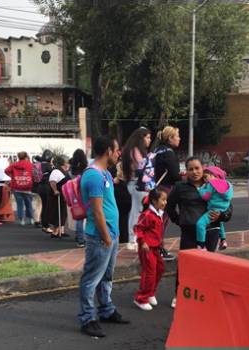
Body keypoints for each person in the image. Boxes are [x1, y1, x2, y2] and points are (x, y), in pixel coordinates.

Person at [78, 135, 129, 338]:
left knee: (106, 276)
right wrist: (107, 237)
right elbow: (97, 211)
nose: (119, 154)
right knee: (91, 279)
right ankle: (87, 318)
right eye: (117, 150)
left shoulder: (106, 173)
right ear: (108, 150)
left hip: (111, 235)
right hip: (100, 237)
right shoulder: (93, 176)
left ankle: (106, 310)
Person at [166, 157, 232, 308]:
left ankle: (204, 294)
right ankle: (179, 294)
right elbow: (170, 207)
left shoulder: (213, 183)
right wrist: (180, 220)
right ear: (186, 171)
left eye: (197, 168)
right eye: (190, 169)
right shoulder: (180, 187)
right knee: (185, 265)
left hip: (211, 231)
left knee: (208, 265)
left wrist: (222, 216)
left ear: (203, 168)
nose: (194, 172)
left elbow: (228, 205)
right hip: (189, 232)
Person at [133, 188, 168, 311]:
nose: (165, 202)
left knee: (160, 268)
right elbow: (138, 228)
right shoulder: (148, 214)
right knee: (150, 272)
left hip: (155, 247)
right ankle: (141, 298)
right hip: (147, 247)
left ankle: (150, 292)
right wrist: (142, 242)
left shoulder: (159, 213)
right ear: (154, 200)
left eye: (165, 200)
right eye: (163, 200)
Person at [153, 126, 183, 262]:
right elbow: (175, 175)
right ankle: (160, 249)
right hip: (166, 190)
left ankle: (156, 247)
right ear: (170, 138)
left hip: (157, 188)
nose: (179, 138)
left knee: (157, 219)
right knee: (162, 221)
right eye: (177, 136)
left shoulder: (158, 151)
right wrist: (182, 175)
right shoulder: (169, 153)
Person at [121, 127, 152, 251]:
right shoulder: (136, 151)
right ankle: (132, 239)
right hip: (138, 185)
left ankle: (134, 238)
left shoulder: (131, 150)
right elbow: (143, 167)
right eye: (148, 137)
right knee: (137, 212)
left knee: (137, 212)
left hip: (134, 183)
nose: (150, 140)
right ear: (141, 137)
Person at [196, 166, 232, 250]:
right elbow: (229, 198)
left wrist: (200, 189)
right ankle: (223, 240)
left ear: (214, 175)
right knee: (220, 222)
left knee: (200, 224)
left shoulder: (211, 184)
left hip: (213, 210)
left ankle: (201, 245)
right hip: (223, 209)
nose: (204, 180)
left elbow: (206, 196)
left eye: (205, 177)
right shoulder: (227, 184)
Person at [5, 152, 34, 226]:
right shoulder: (30, 164)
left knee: (19, 204)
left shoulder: (14, 164)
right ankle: (31, 219)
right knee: (29, 203)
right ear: (26, 157)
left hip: (16, 187)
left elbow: (6, 171)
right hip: (28, 187)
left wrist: (12, 176)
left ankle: (21, 220)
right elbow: (34, 173)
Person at [48, 155, 71, 238]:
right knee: (57, 213)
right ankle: (55, 232)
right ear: (64, 163)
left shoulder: (64, 171)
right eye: (67, 162)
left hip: (63, 196)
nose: (68, 164)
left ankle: (61, 230)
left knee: (63, 213)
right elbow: (52, 182)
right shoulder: (56, 171)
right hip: (57, 196)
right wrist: (55, 190)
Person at [70, 149, 88, 247]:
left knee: (78, 217)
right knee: (85, 217)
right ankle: (82, 239)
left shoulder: (72, 170)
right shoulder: (85, 169)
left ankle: (78, 237)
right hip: (84, 194)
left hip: (74, 194)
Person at [36, 150, 54, 233]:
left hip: (39, 187)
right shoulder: (48, 166)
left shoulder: (39, 165)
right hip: (46, 187)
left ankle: (44, 225)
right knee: (47, 207)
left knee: (44, 206)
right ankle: (46, 226)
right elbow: (54, 175)